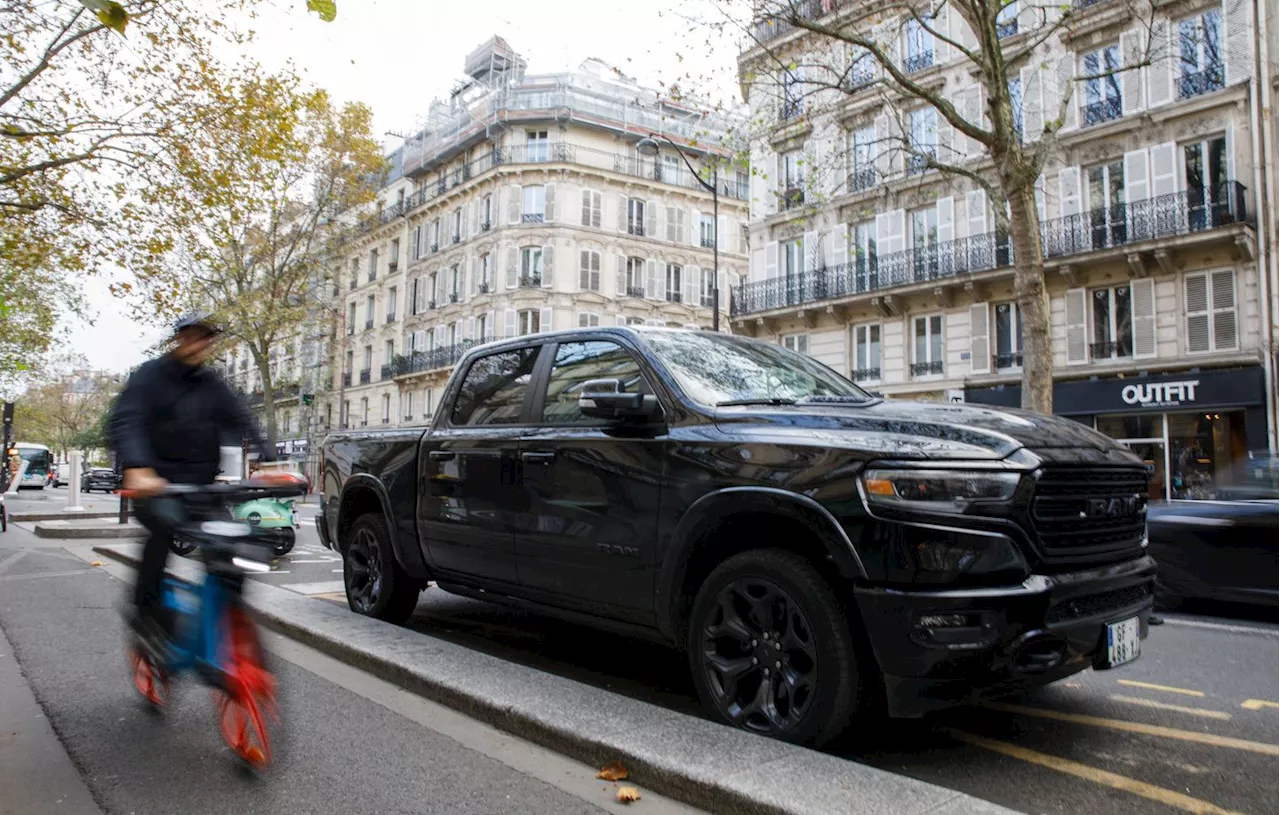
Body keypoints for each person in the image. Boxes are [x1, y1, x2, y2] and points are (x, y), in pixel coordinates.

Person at [109, 312, 273, 651]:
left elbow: (240, 418)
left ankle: (224, 618)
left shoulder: (212, 383)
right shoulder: (149, 376)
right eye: (193, 337)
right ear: (179, 338)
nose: (199, 344)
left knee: (233, 541)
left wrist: (269, 459)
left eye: (205, 339)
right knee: (162, 532)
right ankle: (145, 612)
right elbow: (127, 419)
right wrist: (138, 466)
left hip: (201, 488)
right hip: (157, 485)